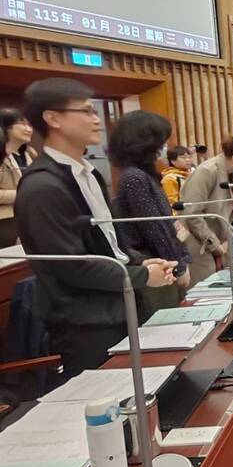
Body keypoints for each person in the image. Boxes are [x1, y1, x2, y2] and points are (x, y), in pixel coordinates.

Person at [15, 78, 176, 379]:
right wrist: (142, 276)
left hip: (122, 305)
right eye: (86, 111)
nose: (96, 119)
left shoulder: (89, 175)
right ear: (53, 118)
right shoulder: (42, 187)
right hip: (88, 324)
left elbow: (109, 242)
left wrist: (141, 262)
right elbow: (72, 265)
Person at [109, 111, 192, 320]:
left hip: (164, 262)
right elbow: (155, 229)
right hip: (155, 264)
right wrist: (179, 267)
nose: (165, 147)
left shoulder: (144, 174)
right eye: (161, 141)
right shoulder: (134, 177)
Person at [180, 135, 233, 286]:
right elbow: (191, 213)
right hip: (200, 245)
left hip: (222, 243)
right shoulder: (207, 171)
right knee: (206, 293)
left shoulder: (231, 174)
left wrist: (224, 241)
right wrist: (214, 244)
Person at [0, 108, 36, 247]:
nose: (28, 129)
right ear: (6, 127)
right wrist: (22, 195)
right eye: (22, 124)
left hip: (29, 219)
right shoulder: (2, 157)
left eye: (30, 125)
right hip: (6, 223)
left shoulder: (30, 155)